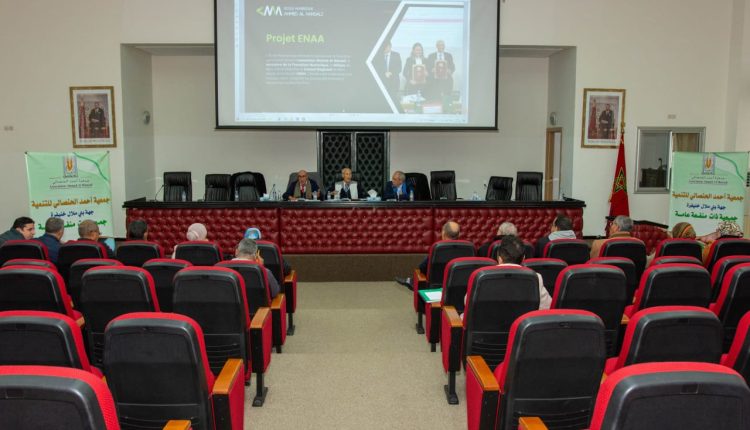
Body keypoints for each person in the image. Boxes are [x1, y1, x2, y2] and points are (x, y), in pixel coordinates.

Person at [396, 220, 460, 289]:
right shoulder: (466, 248)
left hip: (435, 287)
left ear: (443, 233)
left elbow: (421, 268)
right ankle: (411, 281)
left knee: (420, 272)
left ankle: (411, 281)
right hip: (458, 287)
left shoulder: (438, 250)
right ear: (458, 235)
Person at [494, 235, 551, 310]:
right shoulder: (535, 278)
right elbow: (547, 308)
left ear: (499, 259)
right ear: (523, 258)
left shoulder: (483, 277)